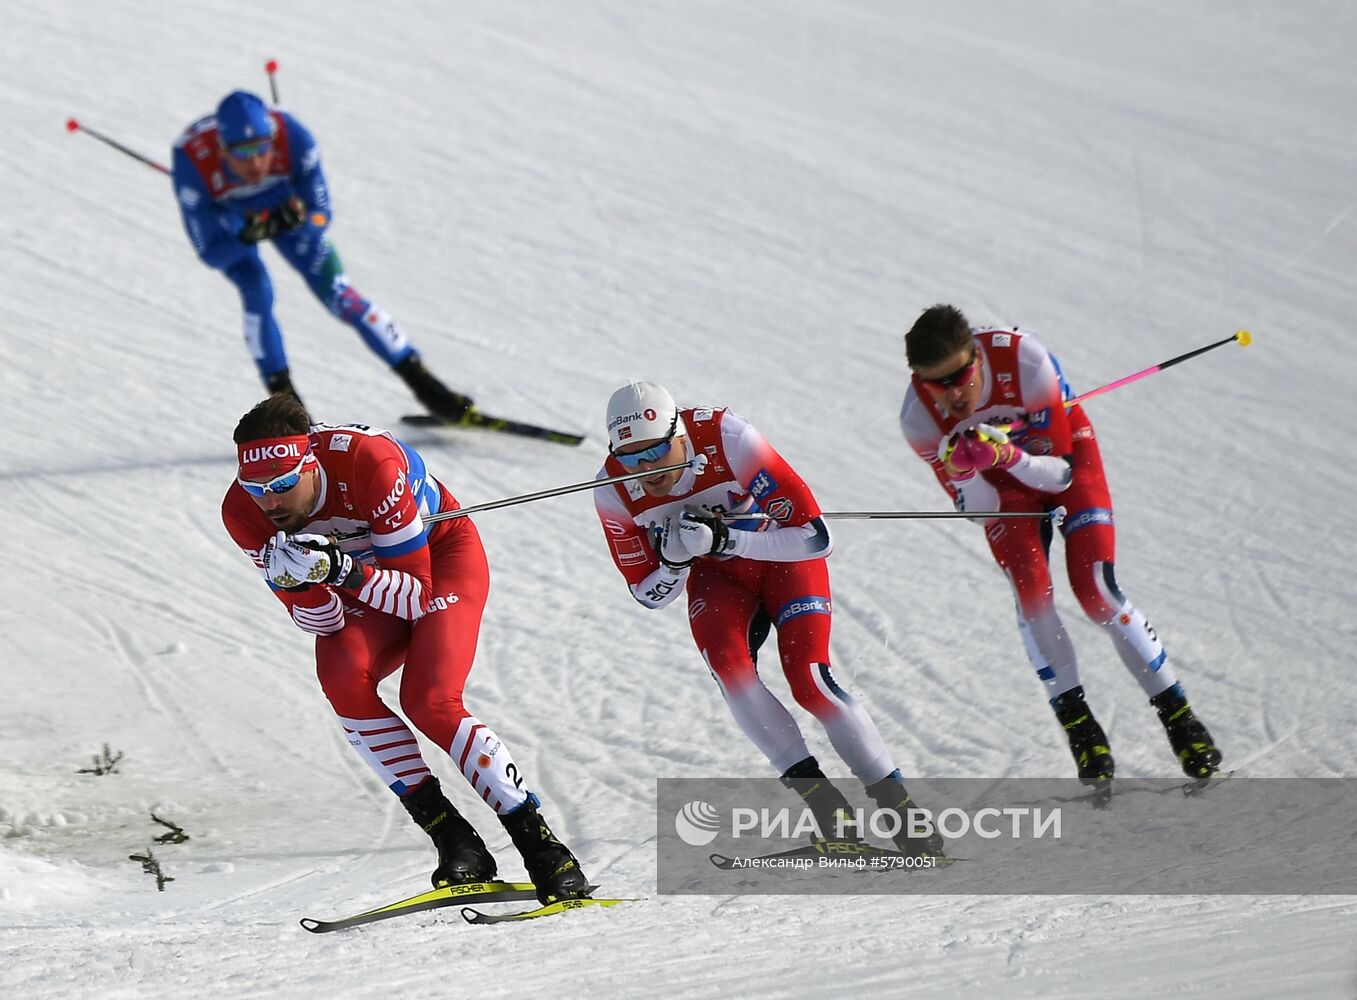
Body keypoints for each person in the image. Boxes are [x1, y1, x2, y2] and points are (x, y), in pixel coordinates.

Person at [221, 394, 588, 903]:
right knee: (341, 674)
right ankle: (454, 838)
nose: (270, 502)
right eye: (256, 488)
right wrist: (303, 584)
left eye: (283, 486)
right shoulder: (244, 513)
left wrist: (342, 570)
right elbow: (320, 622)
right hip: (363, 576)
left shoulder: (368, 462)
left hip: (438, 557)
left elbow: (416, 597)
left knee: (429, 699)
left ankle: (541, 845)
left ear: (310, 462)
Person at [594, 381, 943, 856]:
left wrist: (725, 541)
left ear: (680, 434)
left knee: (810, 680)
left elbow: (815, 538)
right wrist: (674, 563)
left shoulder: (728, 437)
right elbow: (649, 595)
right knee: (730, 670)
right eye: (631, 459)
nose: (647, 470)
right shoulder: (613, 492)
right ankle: (827, 810)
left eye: (656, 452)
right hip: (720, 581)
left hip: (781, 558)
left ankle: (901, 810)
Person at [899, 304, 1222, 791]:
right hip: (1004, 486)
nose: (952, 394)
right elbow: (979, 509)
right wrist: (965, 475)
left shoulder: (1025, 363)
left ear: (978, 356)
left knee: (1095, 590)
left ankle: (1180, 718)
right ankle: (1079, 724)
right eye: (935, 384)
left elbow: (1062, 473)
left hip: (1061, 461)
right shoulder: (918, 418)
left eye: (960, 376)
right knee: (1032, 593)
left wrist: (1007, 455)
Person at [173, 89, 471, 419]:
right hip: (230, 216)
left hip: (283, 206)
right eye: (243, 154)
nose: (255, 163)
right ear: (222, 150)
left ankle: (427, 386)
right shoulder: (192, 164)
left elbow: (322, 214)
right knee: (257, 288)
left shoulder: (295, 139)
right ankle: (288, 408)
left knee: (340, 294)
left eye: (261, 149)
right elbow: (212, 253)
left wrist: (301, 219)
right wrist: (245, 235)